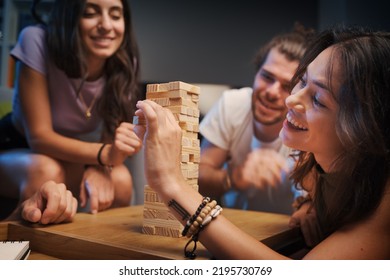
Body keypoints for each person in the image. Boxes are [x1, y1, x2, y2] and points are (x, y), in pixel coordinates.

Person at [133, 25, 390, 259]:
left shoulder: (383, 201)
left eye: (318, 99)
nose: (289, 98)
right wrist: (306, 203)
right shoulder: (317, 161)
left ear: (364, 129)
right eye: (302, 82)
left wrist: (171, 182)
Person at [0, 0, 142, 219]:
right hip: (18, 147)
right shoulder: (36, 39)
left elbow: (110, 134)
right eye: (90, 13)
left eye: (115, 16)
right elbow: (40, 137)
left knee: (121, 180)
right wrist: (105, 155)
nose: (106, 25)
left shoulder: (123, 62)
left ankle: (97, 252)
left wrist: (103, 165)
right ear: (69, 17)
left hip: (77, 154)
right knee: (47, 172)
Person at [198, 24, 315, 214]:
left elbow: (312, 193)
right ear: (256, 72)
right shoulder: (233, 104)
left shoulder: (308, 123)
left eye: (287, 85)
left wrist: (308, 206)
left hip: (286, 232)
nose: (271, 92)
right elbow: (199, 177)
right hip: (232, 225)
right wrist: (233, 178)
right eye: (267, 77)